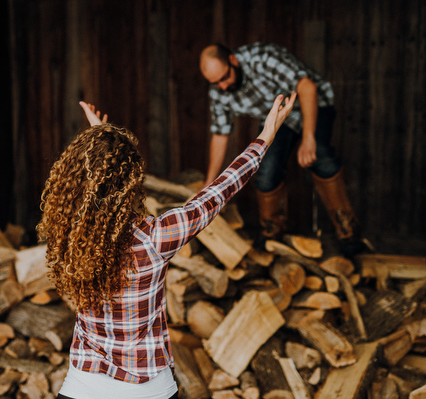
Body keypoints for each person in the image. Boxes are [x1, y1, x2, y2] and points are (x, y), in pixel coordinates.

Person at [37, 93, 296, 399]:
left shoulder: (66, 232)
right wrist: (265, 136)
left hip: (84, 385)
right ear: (132, 182)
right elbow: (218, 191)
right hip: (148, 390)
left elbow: (94, 184)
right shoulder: (155, 238)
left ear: (78, 179)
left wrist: (99, 139)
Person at [199, 42, 366, 256]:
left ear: (233, 60)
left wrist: (308, 138)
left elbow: (307, 87)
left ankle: (349, 232)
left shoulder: (263, 59)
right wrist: (209, 184)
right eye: (215, 83)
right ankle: (272, 232)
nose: (222, 86)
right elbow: (220, 134)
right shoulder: (218, 90)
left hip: (312, 103)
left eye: (224, 78)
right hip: (278, 117)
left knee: (321, 158)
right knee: (267, 171)